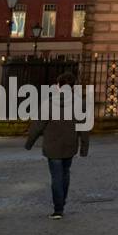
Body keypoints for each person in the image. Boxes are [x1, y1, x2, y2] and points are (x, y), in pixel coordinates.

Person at [25, 72, 90, 219]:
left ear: (58, 86)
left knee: (56, 176)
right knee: (65, 173)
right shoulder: (80, 104)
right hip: (69, 144)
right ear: (73, 86)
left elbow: (38, 126)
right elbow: (84, 128)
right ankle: (62, 203)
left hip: (52, 145)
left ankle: (58, 209)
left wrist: (29, 143)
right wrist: (84, 148)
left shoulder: (48, 103)